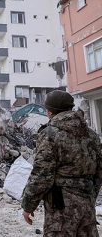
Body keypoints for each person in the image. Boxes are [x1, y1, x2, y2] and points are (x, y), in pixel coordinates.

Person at [22, 90, 102, 236]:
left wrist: (28, 205)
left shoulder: (50, 134)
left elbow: (42, 175)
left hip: (61, 208)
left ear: (49, 111)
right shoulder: (91, 135)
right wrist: (89, 195)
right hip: (87, 206)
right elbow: (99, 171)